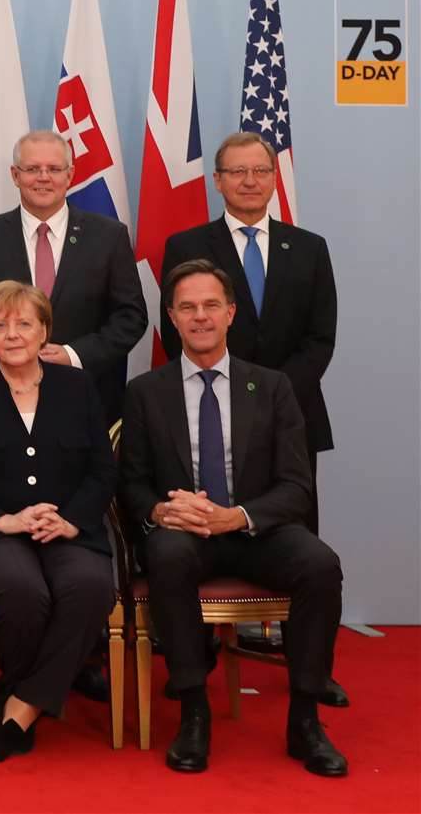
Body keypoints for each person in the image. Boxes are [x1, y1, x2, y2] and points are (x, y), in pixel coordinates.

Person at [119, 259, 347, 777]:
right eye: (187, 307)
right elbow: (129, 483)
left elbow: (296, 486)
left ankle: (305, 718)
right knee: (168, 555)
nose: (200, 317)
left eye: (210, 306)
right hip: (185, 531)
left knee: (320, 564)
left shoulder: (271, 388)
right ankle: (194, 711)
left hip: (255, 529)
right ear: (171, 318)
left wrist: (237, 516)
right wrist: (160, 509)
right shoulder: (145, 393)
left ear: (231, 314)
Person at [159, 131, 346, 705]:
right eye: (235, 172)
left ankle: (308, 665)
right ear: (217, 180)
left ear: (274, 177)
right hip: (207, 409)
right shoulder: (188, 242)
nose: (248, 181)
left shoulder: (308, 247)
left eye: (259, 171)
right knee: (196, 537)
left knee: (301, 542)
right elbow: (177, 333)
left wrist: (270, 397)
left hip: (290, 415)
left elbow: (321, 337)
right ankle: (197, 657)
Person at [0, 281, 116, 761]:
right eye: (0, 325)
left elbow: (102, 469)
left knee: (91, 587)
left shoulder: (78, 386)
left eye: (24, 324)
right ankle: (30, 693)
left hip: (67, 528)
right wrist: (2, 519)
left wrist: (72, 520)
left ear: (45, 332)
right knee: (21, 589)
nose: (12, 334)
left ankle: (21, 703)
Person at [0, 130, 146, 423]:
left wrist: (74, 355)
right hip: (2, 396)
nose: (43, 177)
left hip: (88, 395)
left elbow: (131, 316)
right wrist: (13, 356)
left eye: (54, 169)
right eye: (32, 169)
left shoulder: (109, 236)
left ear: (70, 175)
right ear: (15, 175)